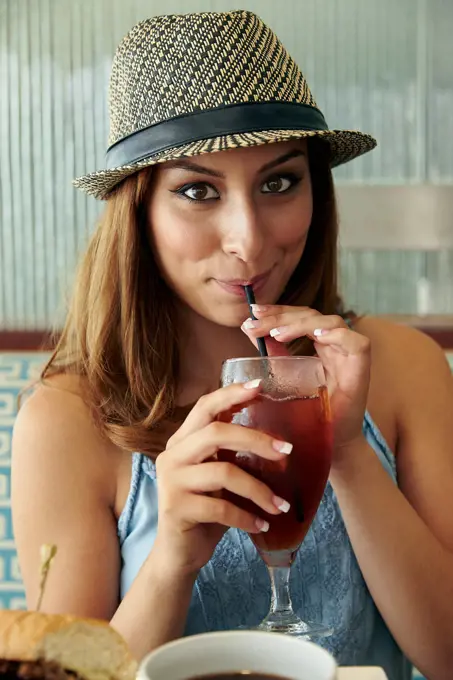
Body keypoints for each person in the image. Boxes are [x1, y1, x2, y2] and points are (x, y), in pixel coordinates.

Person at [11, 10, 453, 680]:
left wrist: (347, 451)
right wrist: (172, 559)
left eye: (279, 182)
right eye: (196, 191)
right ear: (139, 214)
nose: (247, 239)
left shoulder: (404, 367)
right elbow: (63, 677)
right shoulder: (67, 420)